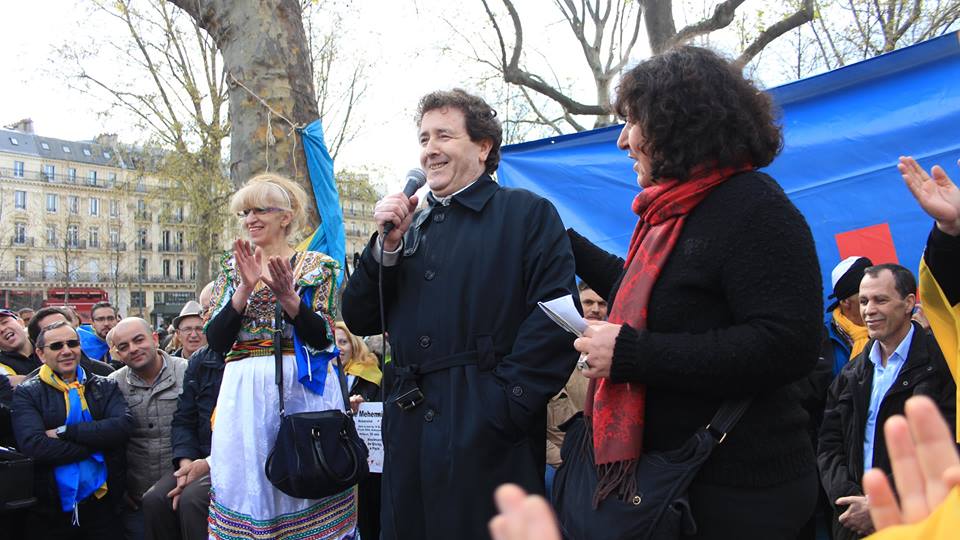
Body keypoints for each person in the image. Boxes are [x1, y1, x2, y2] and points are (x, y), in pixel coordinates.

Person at [567, 46, 823, 539]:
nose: (622, 142)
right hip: (676, 481)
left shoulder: (755, 207)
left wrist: (633, 355)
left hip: (738, 493)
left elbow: (789, 343)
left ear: (674, 123)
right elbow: (661, 299)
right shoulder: (670, 216)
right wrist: (562, 239)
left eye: (632, 123)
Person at [341, 88, 579, 540]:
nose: (430, 149)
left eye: (444, 136)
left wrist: (503, 404)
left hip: (489, 433)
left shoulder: (525, 214)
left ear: (483, 146)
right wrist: (385, 248)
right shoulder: (412, 227)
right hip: (411, 432)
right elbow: (359, 317)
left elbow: (556, 318)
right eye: (424, 138)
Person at [204, 173, 356, 539]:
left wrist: (289, 297)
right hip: (244, 390)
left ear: (285, 217)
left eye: (260, 210)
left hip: (301, 386)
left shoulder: (317, 266)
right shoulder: (231, 267)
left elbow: (322, 338)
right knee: (250, 475)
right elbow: (215, 340)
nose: (250, 219)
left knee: (307, 465)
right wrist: (244, 287)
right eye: (244, 213)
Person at [818, 263, 956, 539]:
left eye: (881, 300)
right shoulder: (850, 374)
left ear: (908, 303)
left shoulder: (943, 366)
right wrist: (851, 503)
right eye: (865, 301)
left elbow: (948, 442)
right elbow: (828, 446)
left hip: (922, 520)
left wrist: (880, 504)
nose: (869, 310)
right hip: (853, 523)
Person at [11, 321, 134, 539]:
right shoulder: (27, 393)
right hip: (50, 509)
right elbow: (34, 446)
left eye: (72, 343)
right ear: (40, 354)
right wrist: (97, 448)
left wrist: (64, 432)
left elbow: (121, 427)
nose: (66, 351)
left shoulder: (105, 386)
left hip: (103, 505)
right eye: (57, 346)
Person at [143, 282, 223, 540]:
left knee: (192, 500)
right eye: (207, 309)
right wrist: (185, 464)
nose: (211, 315)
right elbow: (184, 419)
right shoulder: (201, 360)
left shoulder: (255, 353)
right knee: (156, 499)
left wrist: (206, 465)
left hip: (230, 460)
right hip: (198, 455)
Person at [106, 317, 188, 539]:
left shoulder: (187, 372)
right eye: (123, 347)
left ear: (154, 339)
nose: (133, 349)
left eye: (138, 340)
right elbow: (111, 444)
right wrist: (119, 489)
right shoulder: (113, 384)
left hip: (187, 491)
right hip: (137, 501)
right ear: (117, 353)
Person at [544, 282, 598, 491]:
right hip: (560, 462)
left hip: (601, 464)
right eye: (588, 302)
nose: (595, 308)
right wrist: (564, 461)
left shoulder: (615, 360)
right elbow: (534, 423)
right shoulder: (553, 356)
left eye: (601, 303)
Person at [334, 321, 383, 540]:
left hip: (367, 465)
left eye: (343, 342)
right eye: (334, 343)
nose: (339, 348)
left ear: (354, 344)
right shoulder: (323, 376)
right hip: (335, 462)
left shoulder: (371, 375)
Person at [27, 307, 114, 377]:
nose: (66, 351)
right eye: (56, 345)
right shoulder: (28, 390)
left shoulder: (105, 374)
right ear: (40, 351)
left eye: (64, 326)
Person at [825, 256, 874, 375]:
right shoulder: (822, 339)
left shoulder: (894, 325)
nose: (875, 298)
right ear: (845, 301)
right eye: (865, 295)